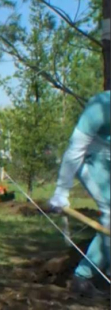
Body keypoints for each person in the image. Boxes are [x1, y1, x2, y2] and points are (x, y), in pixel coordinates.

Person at [48, 91, 110, 297]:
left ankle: (99, 273)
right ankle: (83, 277)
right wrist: (61, 191)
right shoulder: (100, 106)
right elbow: (75, 149)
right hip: (91, 158)